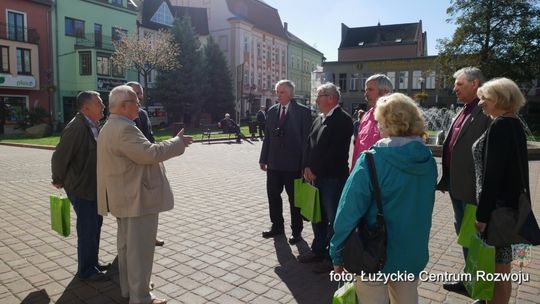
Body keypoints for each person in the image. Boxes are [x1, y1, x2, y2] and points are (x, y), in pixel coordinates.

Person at [330, 93, 437, 303]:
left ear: (389, 123)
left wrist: (337, 252)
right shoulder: (428, 160)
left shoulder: (372, 159)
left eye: (379, 122)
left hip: (374, 251)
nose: (378, 127)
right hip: (412, 250)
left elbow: (348, 211)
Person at [97, 85, 193, 304]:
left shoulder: (110, 126)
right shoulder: (124, 128)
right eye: (135, 102)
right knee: (139, 250)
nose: (139, 105)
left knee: (127, 247)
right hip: (136, 197)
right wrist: (176, 142)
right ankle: (141, 297)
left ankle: (130, 289)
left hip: (124, 196)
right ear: (123, 106)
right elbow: (149, 154)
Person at [473, 78, 540, 304]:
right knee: (502, 264)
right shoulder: (513, 123)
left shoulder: (501, 125)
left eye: (485, 98)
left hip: (499, 209)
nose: (481, 103)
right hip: (507, 205)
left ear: (501, 99)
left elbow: (493, 175)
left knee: (500, 267)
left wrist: (482, 216)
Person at [437, 67, 491, 295]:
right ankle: (470, 281)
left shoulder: (487, 110)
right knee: (466, 236)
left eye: (459, 84)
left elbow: (490, 155)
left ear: (475, 84)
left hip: (473, 191)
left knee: (478, 241)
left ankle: (480, 289)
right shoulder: (463, 110)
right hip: (456, 187)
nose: (454, 88)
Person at [51, 91, 110, 281]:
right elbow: (60, 156)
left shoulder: (92, 125)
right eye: (99, 103)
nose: (103, 106)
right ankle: (86, 270)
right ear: (86, 107)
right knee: (87, 229)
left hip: (92, 187)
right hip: (82, 187)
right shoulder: (77, 127)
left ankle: (92, 262)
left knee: (95, 226)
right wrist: (58, 178)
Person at [299, 83, 353, 273]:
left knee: (332, 219)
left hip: (332, 178)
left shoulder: (343, 120)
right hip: (315, 176)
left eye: (319, 95)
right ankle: (318, 250)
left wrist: (315, 169)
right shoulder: (319, 118)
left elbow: (335, 152)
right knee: (317, 215)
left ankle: (332, 257)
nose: (316, 99)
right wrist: (306, 165)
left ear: (331, 98)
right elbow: (308, 143)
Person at [259, 79, 312, 244]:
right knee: (273, 196)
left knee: (294, 199)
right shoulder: (272, 111)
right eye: (277, 92)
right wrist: (263, 158)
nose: (278, 95)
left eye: (282, 92)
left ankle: (296, 231)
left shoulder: (303, 112)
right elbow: (267, 137)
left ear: (290, 94)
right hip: (274, 163)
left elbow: (307, 140)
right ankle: (277, 226)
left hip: (293, 165)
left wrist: (305, 164)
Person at [126, 81, 164, 247]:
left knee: (151, 203)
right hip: (132, 168)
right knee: (134, 206)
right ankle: (131, 239)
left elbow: (150, 136)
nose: (140, 97)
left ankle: (151, 235)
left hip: (148, 164)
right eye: (136, 94)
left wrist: (155, 153)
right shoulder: (120, 118)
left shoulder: (142, 114)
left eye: (140, 93)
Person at [350, 74, 393, 169]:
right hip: (363, 175)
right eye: (366, 90)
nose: (365, 94)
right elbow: (357, 148)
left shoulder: (395, 117)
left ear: (385, 92)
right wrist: (353, 171)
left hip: (382, 178)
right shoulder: (365, 116)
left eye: (370, 89)